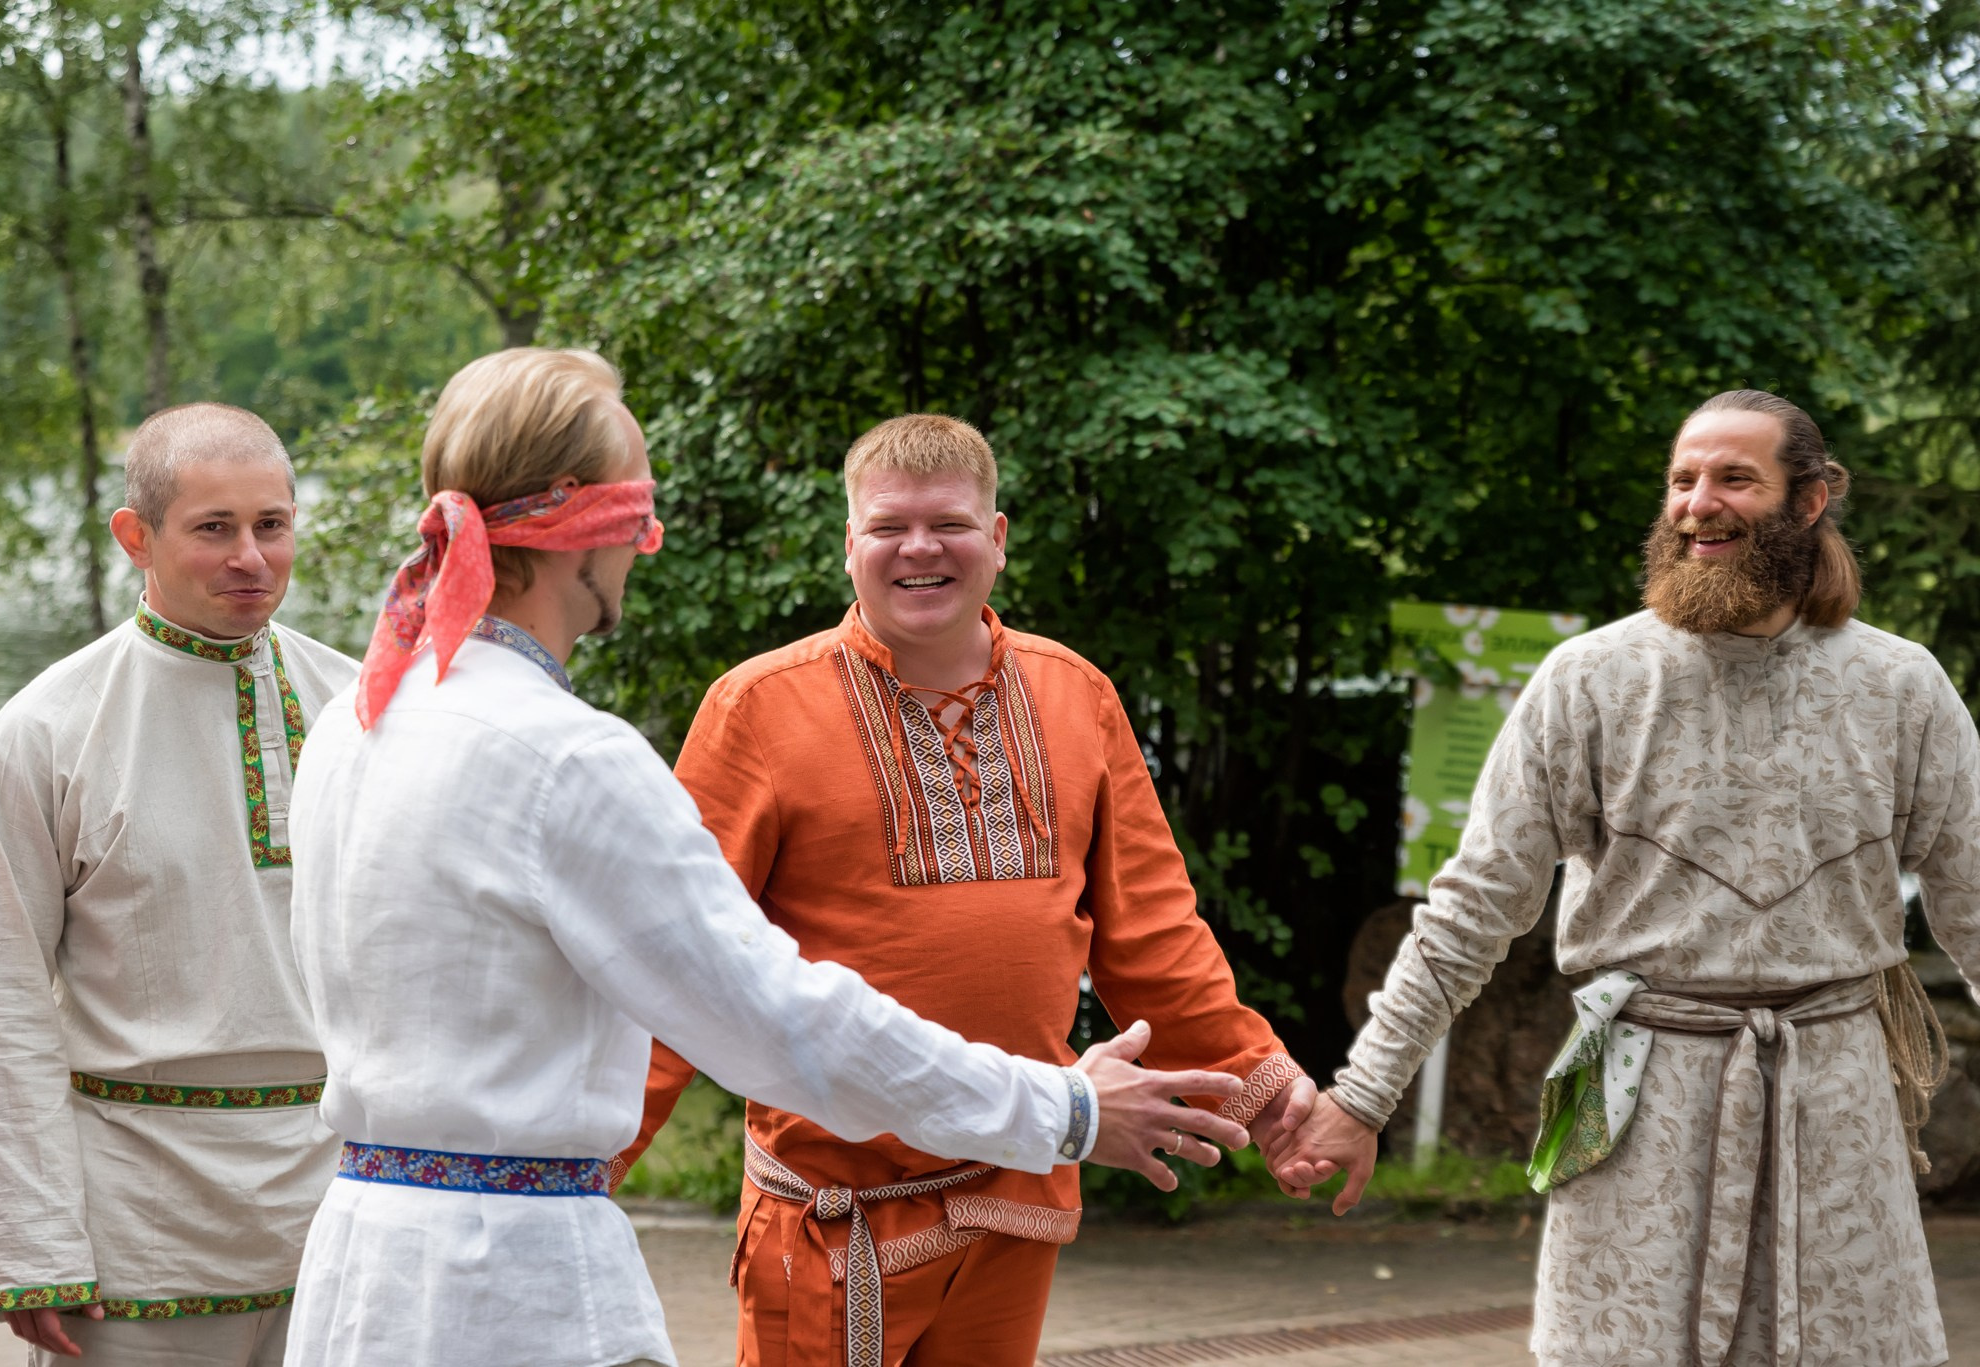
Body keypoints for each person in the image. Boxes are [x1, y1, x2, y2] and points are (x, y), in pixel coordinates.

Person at [280, 347, 1252, 1367]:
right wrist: (1062, 1104)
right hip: (513, 1289)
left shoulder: (355, 718)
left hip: (361, 1266)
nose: (645, 545)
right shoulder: (567, 756)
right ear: (592, 528)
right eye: (638, 506)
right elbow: (778, 1018)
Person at [1277, 389, 1980, 1367]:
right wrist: (1358, 1098)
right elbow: (1470, 909)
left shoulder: (1901, 688)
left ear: (1809, 499)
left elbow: (1974, 909)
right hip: (1630, 1092)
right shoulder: (1587, 681)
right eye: (1682, 478)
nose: (1698, 500)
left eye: (1735, 477)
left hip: (1836, 1093)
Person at [614, 412, 1313, 1366]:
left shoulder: (1079, 695)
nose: (918, 549)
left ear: (998, 537)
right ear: (848, 543)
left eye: (947, 523)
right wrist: (580, 1165)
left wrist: (1271, 1097)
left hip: (1019, 1190)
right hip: (836, 1218)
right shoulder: (757, 708)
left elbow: (1152, 936)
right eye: (887, 526)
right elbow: (673, 960)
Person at [0, 404, 357, 1364]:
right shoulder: (48, 728)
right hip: (139, 1233)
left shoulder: (357, 707)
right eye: (213, 528)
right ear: (136, 536)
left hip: (342, 1214)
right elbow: (4, 1001)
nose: (250, 557)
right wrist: (27, 1247)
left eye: (272, 524)